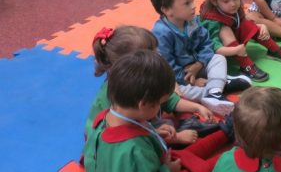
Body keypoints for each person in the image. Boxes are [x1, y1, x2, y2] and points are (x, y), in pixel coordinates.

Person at [83, 50, 230, 172]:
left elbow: (97, 159)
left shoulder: (105, 117)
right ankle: (230, 158)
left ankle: (226, 131)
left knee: (183, 156)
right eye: (160, 103)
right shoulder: (133, 149)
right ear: (144, 104)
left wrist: (152, 132)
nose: (161, 108)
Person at [87, 26, 227, 146]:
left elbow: (169, 99)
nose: (159, 56)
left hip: (142, 124)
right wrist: (175, 138)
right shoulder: (114, 99)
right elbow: (128, 139)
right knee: (170, 128)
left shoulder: (139, 80)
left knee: (171, 108)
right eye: (153, 53)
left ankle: (186, 122)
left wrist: (197, 107)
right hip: (120, 144)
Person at [149, 0, 251, 117]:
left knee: (218, 58)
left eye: (192, 0)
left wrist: (200, 64)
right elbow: (167, 67)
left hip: (198, 66)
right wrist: (192, 81)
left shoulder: (192, 21)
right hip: (181, 78)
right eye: (187, 3)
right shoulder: (161, 33)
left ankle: (215, 91)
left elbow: (206, 44)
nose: (193, 6)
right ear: (167, 10)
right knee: (179, 93)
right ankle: (218, 87)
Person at [200, 0, 281, 83]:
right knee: (224, 30)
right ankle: (245, 65)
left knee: (247, 24)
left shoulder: (233, 7)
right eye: (226, 1)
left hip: (234, 45)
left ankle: (273, 49)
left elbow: (242, 22)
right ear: (214, 1)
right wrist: (235, 50)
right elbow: (214, 47)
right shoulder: (211, 20)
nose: (233, 4)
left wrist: (260, 26)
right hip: (220, 51)